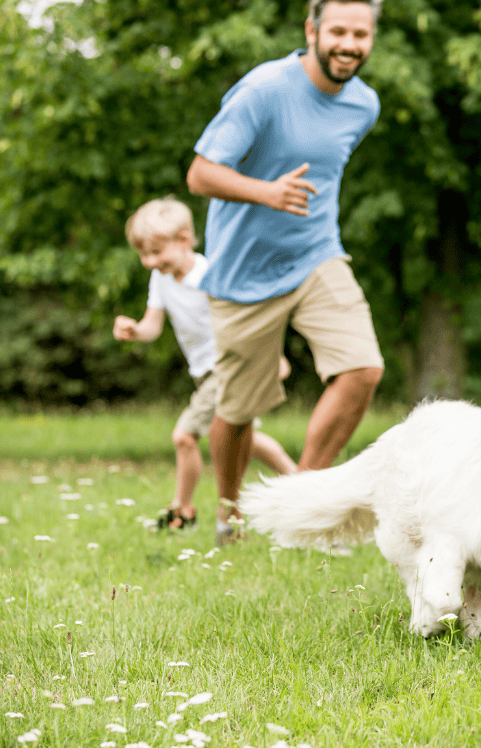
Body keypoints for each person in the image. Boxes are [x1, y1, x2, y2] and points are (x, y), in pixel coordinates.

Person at [186, 0, 385, 544]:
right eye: (339, 30)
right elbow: (200, 174)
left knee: (363, 369)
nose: (349, 43)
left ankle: (300, 499)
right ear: (312, 30)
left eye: (361, 34)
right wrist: (267, 192)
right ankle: (229, 515)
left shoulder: (364, 105)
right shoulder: (264, 89)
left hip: (316, 254)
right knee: (237, 410)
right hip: (242, 272)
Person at [114, 196, 299, 532]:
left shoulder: (210, 274)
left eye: (156, 252)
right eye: (143, 254)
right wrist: (135, 330)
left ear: (184, 240)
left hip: (227, 366)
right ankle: (303, 483)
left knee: (184, 435)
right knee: (245, 436)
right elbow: (153, 326)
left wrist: (273, 358)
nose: (149, 261)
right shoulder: (161, 278)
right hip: (203, 374)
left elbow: (247, 319)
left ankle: (182, 511)